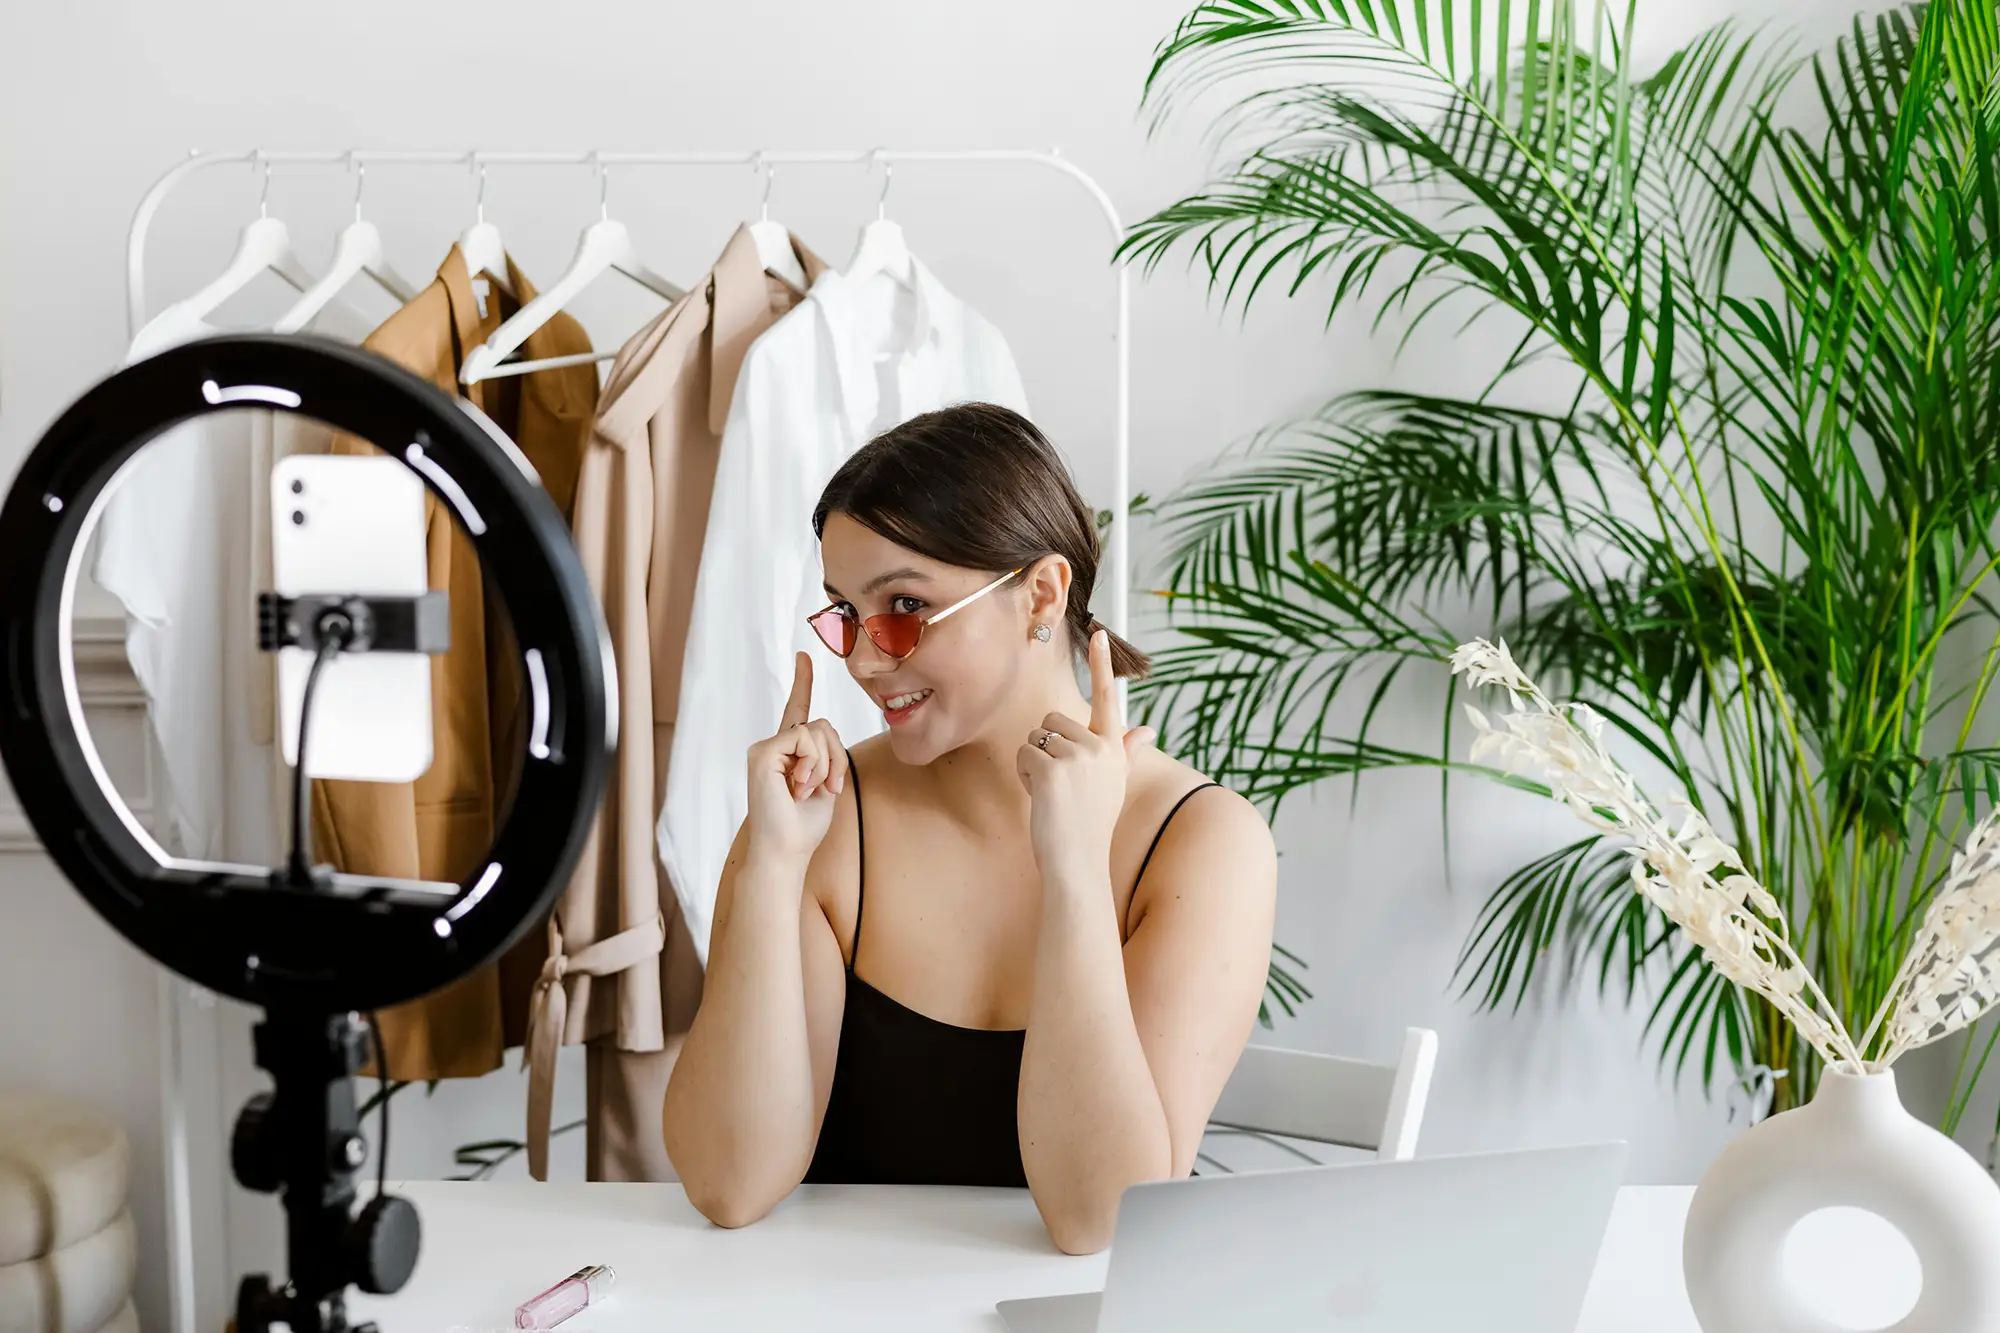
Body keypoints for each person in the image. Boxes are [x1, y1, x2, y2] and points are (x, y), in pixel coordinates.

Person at [662, 403, 1277, 1254]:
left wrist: (1073, 875)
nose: (865, 659)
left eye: (905, 605)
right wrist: (770, 867)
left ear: (1042, 594)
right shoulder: (825, 818)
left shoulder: (1203, 843)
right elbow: (730, 1184)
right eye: (845, 611)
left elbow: (1098, 1219)